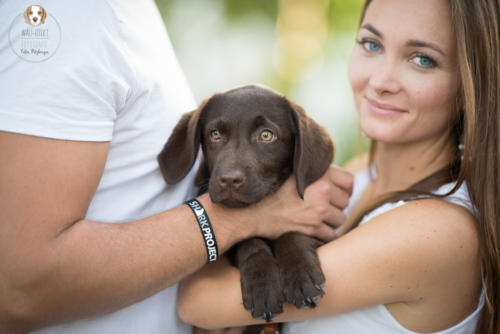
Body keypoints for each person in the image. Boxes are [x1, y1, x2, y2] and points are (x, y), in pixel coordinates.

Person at [0, 1, 353, 333]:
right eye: (215, 135)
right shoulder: (67, 16)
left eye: (264, 135)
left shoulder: (137, 14)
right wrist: (251, 222)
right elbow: (19, 287)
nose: (230, 168)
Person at [177, 0, 500, 333]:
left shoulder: (440, 230)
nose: (380, 80)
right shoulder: (358, 176)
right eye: (371, 44)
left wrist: (254, 218)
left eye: (423, 60)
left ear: (470, 84)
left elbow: (197, 300)